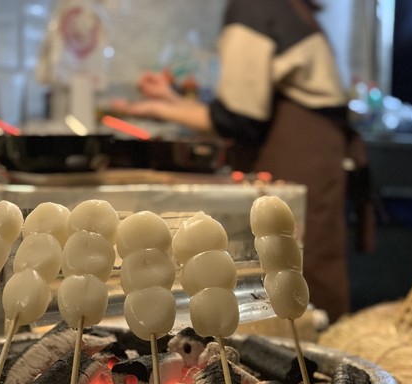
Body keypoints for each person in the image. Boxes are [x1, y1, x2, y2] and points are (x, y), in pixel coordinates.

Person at [114, 0, 366, 324]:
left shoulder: (254, 6)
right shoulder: (288, 7)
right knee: (302, 267)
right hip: (317, 152)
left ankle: (315, 361)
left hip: (299, 155)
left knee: (295, 269)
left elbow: (239, 118)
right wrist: (173, 101)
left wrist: (157, 110)